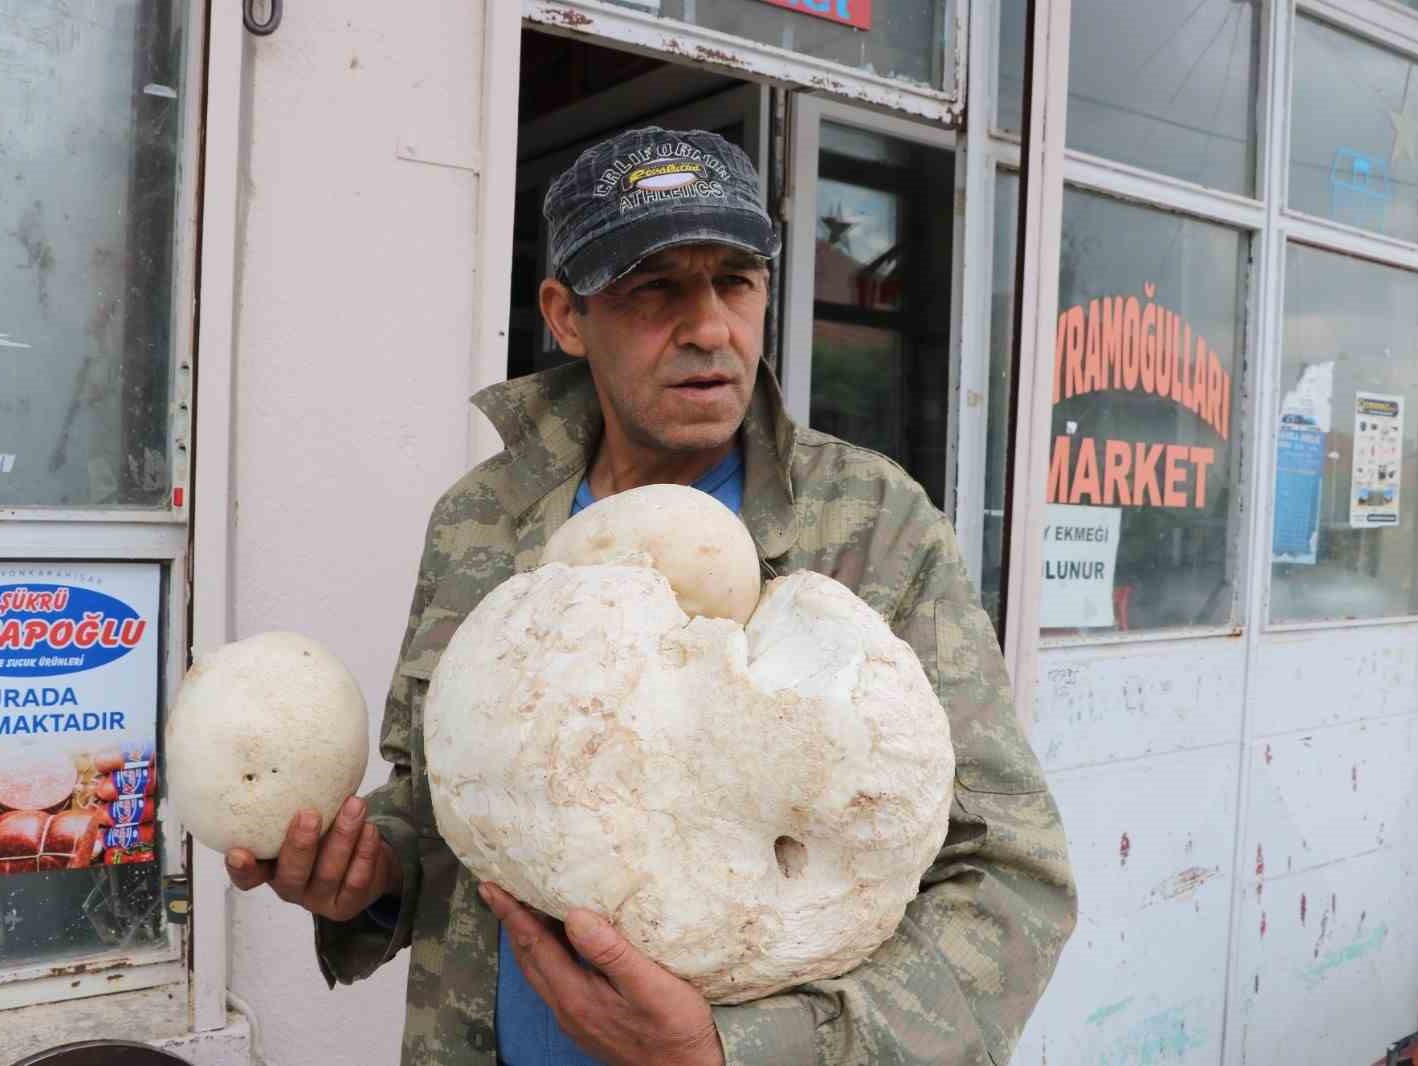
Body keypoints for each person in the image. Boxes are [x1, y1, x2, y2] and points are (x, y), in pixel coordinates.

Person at [225, 126, 1077, 1066]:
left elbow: (1010, 883)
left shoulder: (872, 527)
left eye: (736, 281)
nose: (711, 326)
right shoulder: (484, 519)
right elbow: (439, 799)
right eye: (656, 288)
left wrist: (736, 1051)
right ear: (565, 314)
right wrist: (370, 872)